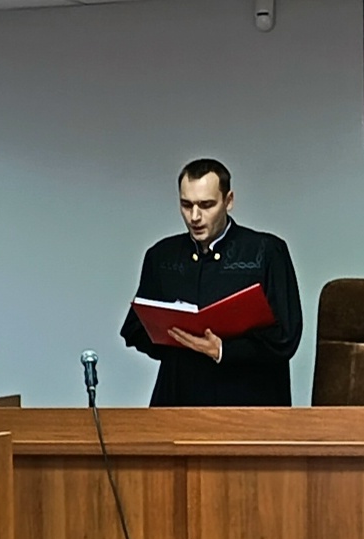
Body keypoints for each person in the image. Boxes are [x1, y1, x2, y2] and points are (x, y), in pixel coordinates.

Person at [119, 158, 304, 406]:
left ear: (229, 201)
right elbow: (135, 328)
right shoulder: (161, 255)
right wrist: (178, 338)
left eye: (206, 205)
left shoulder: (267, 251)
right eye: (186, 205)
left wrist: (222, 349)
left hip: (249, 401)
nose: (195, 216)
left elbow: (286, 336)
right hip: (179, 398)